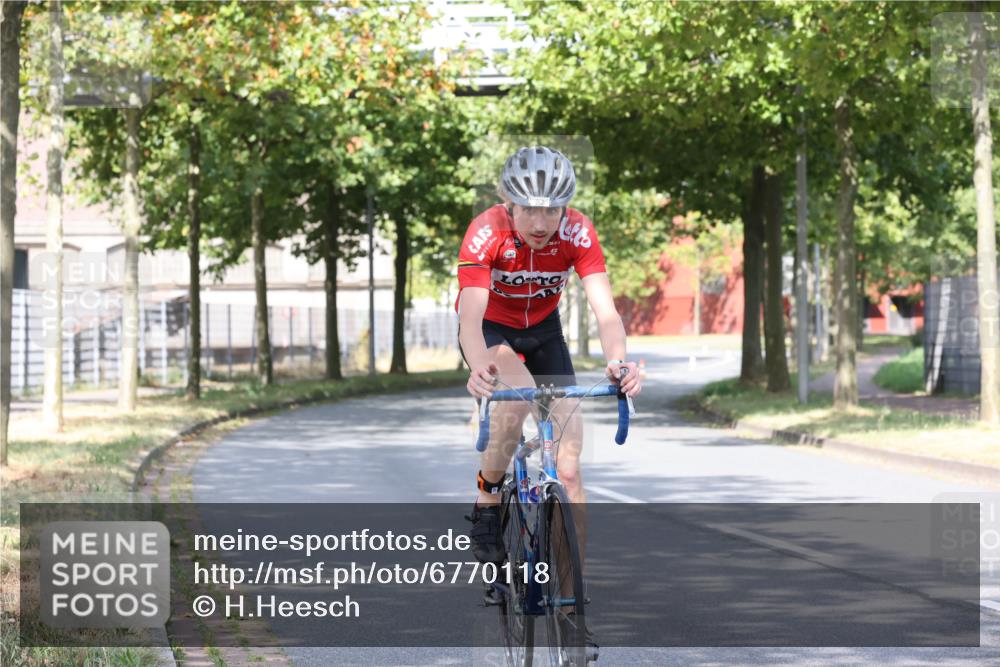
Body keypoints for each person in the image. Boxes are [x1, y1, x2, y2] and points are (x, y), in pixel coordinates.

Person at [456, 146, 642, 655]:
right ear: (508, 203)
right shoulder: (487, 230)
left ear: (566, 208)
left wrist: (619, 362)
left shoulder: (577, 231)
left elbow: (606, 312)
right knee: (516, 399)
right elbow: (469, 317)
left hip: (545, 333)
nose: (541, 223)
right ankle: (487, 497)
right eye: (529, 210)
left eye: (552, 210)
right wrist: (479, 367)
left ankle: (571, 604)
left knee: (572, 468)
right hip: (492, 333)